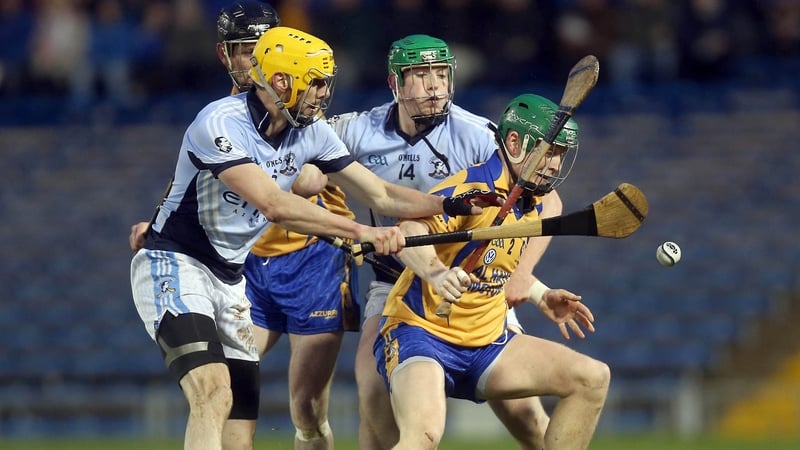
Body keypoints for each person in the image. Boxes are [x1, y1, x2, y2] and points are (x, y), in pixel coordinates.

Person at [129, 26, 495, 450]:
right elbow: (274, 204)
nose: (324, 94)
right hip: (176, 263)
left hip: (229, 281)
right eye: (316, 84)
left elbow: (381, 193)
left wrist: (448, 206)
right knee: (214, 391)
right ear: (282, 82)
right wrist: (365, 231)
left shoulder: (312, 130)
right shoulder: (220, 123)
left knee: (237, 422)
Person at [328, 34, 564, 450]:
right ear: (395, 83)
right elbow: (303, 166)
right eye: (421, 75)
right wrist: (334, 221)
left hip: (475, 285)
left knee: (525, 414)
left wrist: (525, 274)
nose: (435, 85)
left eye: (441, 73)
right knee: (371, 390)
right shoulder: (356, 130)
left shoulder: (479, 134)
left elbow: (550, 202)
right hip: (395, 282)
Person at [375, 93, 610, 450]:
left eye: (560, 155)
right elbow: (410, 231)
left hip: (488, 343)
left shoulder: (532, 201)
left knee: (592, 378)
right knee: (423, 436)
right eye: (547, 151)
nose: (554, 165)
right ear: (513, 142)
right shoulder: (473, 191)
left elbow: (498, 267)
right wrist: (437, 272)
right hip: (420, 333)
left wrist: (538, 293)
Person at [129, 0, 280, 251]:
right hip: (245, 257)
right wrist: (159, 225)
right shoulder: (218, 119)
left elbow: (312, 181)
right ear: (224, 55)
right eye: (248, 52)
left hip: (304, 262)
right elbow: (191, 178)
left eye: (268, 52)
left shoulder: (301, 106)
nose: (259, 64)